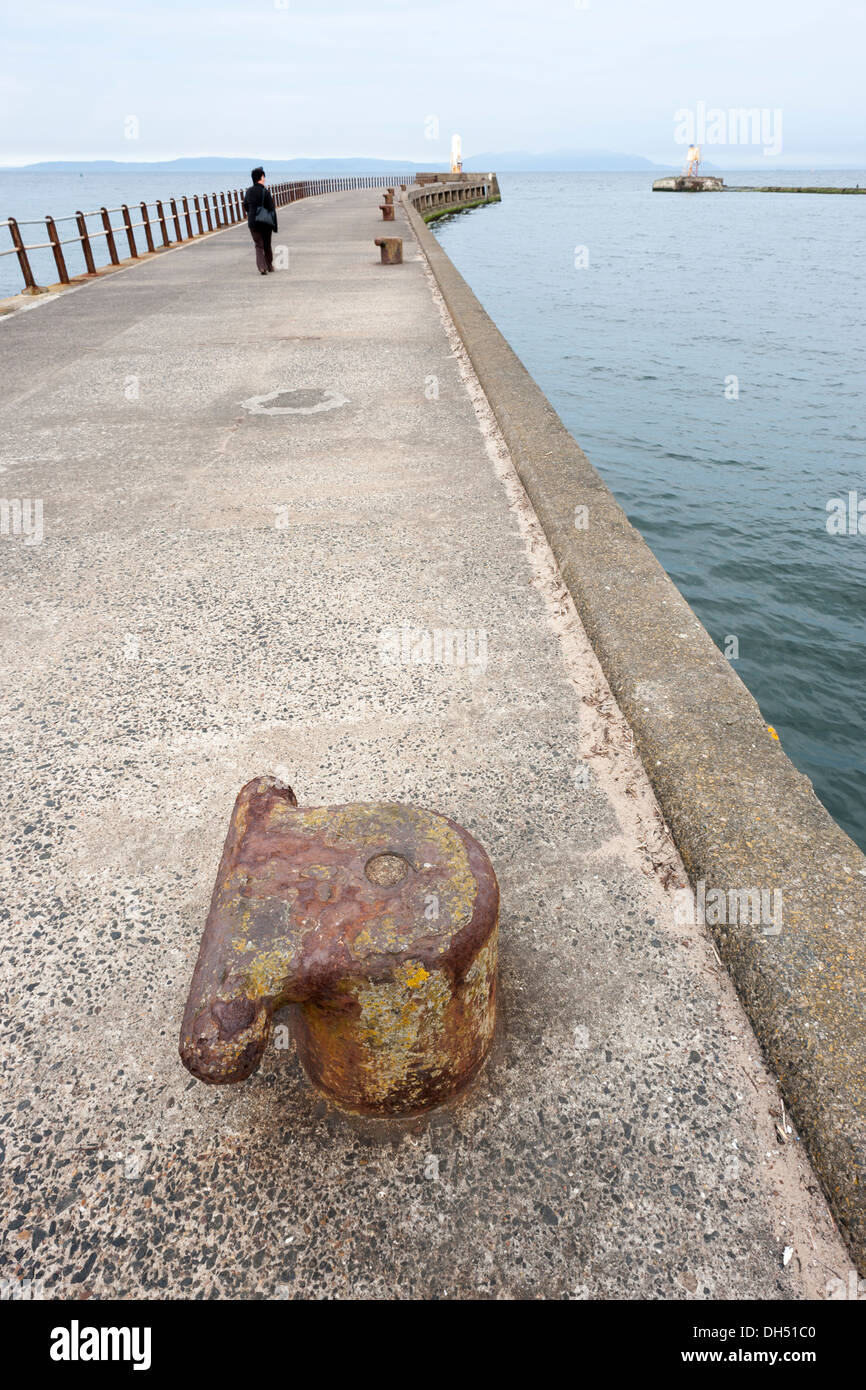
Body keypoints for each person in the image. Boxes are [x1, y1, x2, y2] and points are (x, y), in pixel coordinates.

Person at [243, 167, 278, 275]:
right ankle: (269, 266)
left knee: (259, 244)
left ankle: (262, 267)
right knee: (267, 244)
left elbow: (245, 205)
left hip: (253, 222)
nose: (265, 179)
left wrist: (252, 214)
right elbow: (272, 209)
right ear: (261, 177)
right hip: (265, 223)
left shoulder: (249, 191)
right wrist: (274, 225)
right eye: (264, 177)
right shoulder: (265, 192)